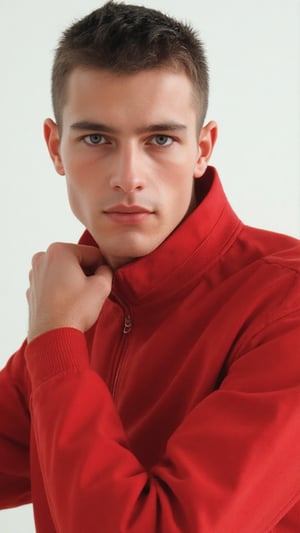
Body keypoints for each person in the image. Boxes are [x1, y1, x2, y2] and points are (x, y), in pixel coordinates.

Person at [1, 1, 300, 531]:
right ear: (55, 148)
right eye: (97, 139)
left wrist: (55, 340)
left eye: (160, 139)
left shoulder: (286, 304)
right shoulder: (79, 298)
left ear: (202, 148)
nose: (129, 176)